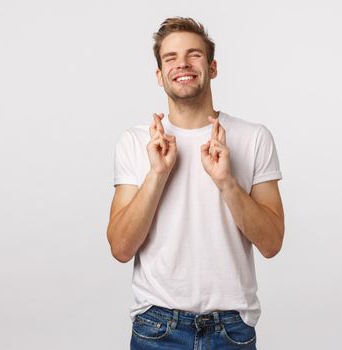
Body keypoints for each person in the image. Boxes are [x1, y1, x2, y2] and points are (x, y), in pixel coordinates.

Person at [107, 17, 284, 349]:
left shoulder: (253, 137)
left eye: (194, 55)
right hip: (157, 327)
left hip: (232, 328)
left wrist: (226, 181)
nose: (182, 64)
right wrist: (157, 174)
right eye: (170, 58)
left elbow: (272, 243)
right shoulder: (135, 142)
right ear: (160, 76)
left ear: (212, 67)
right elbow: (120, 247)